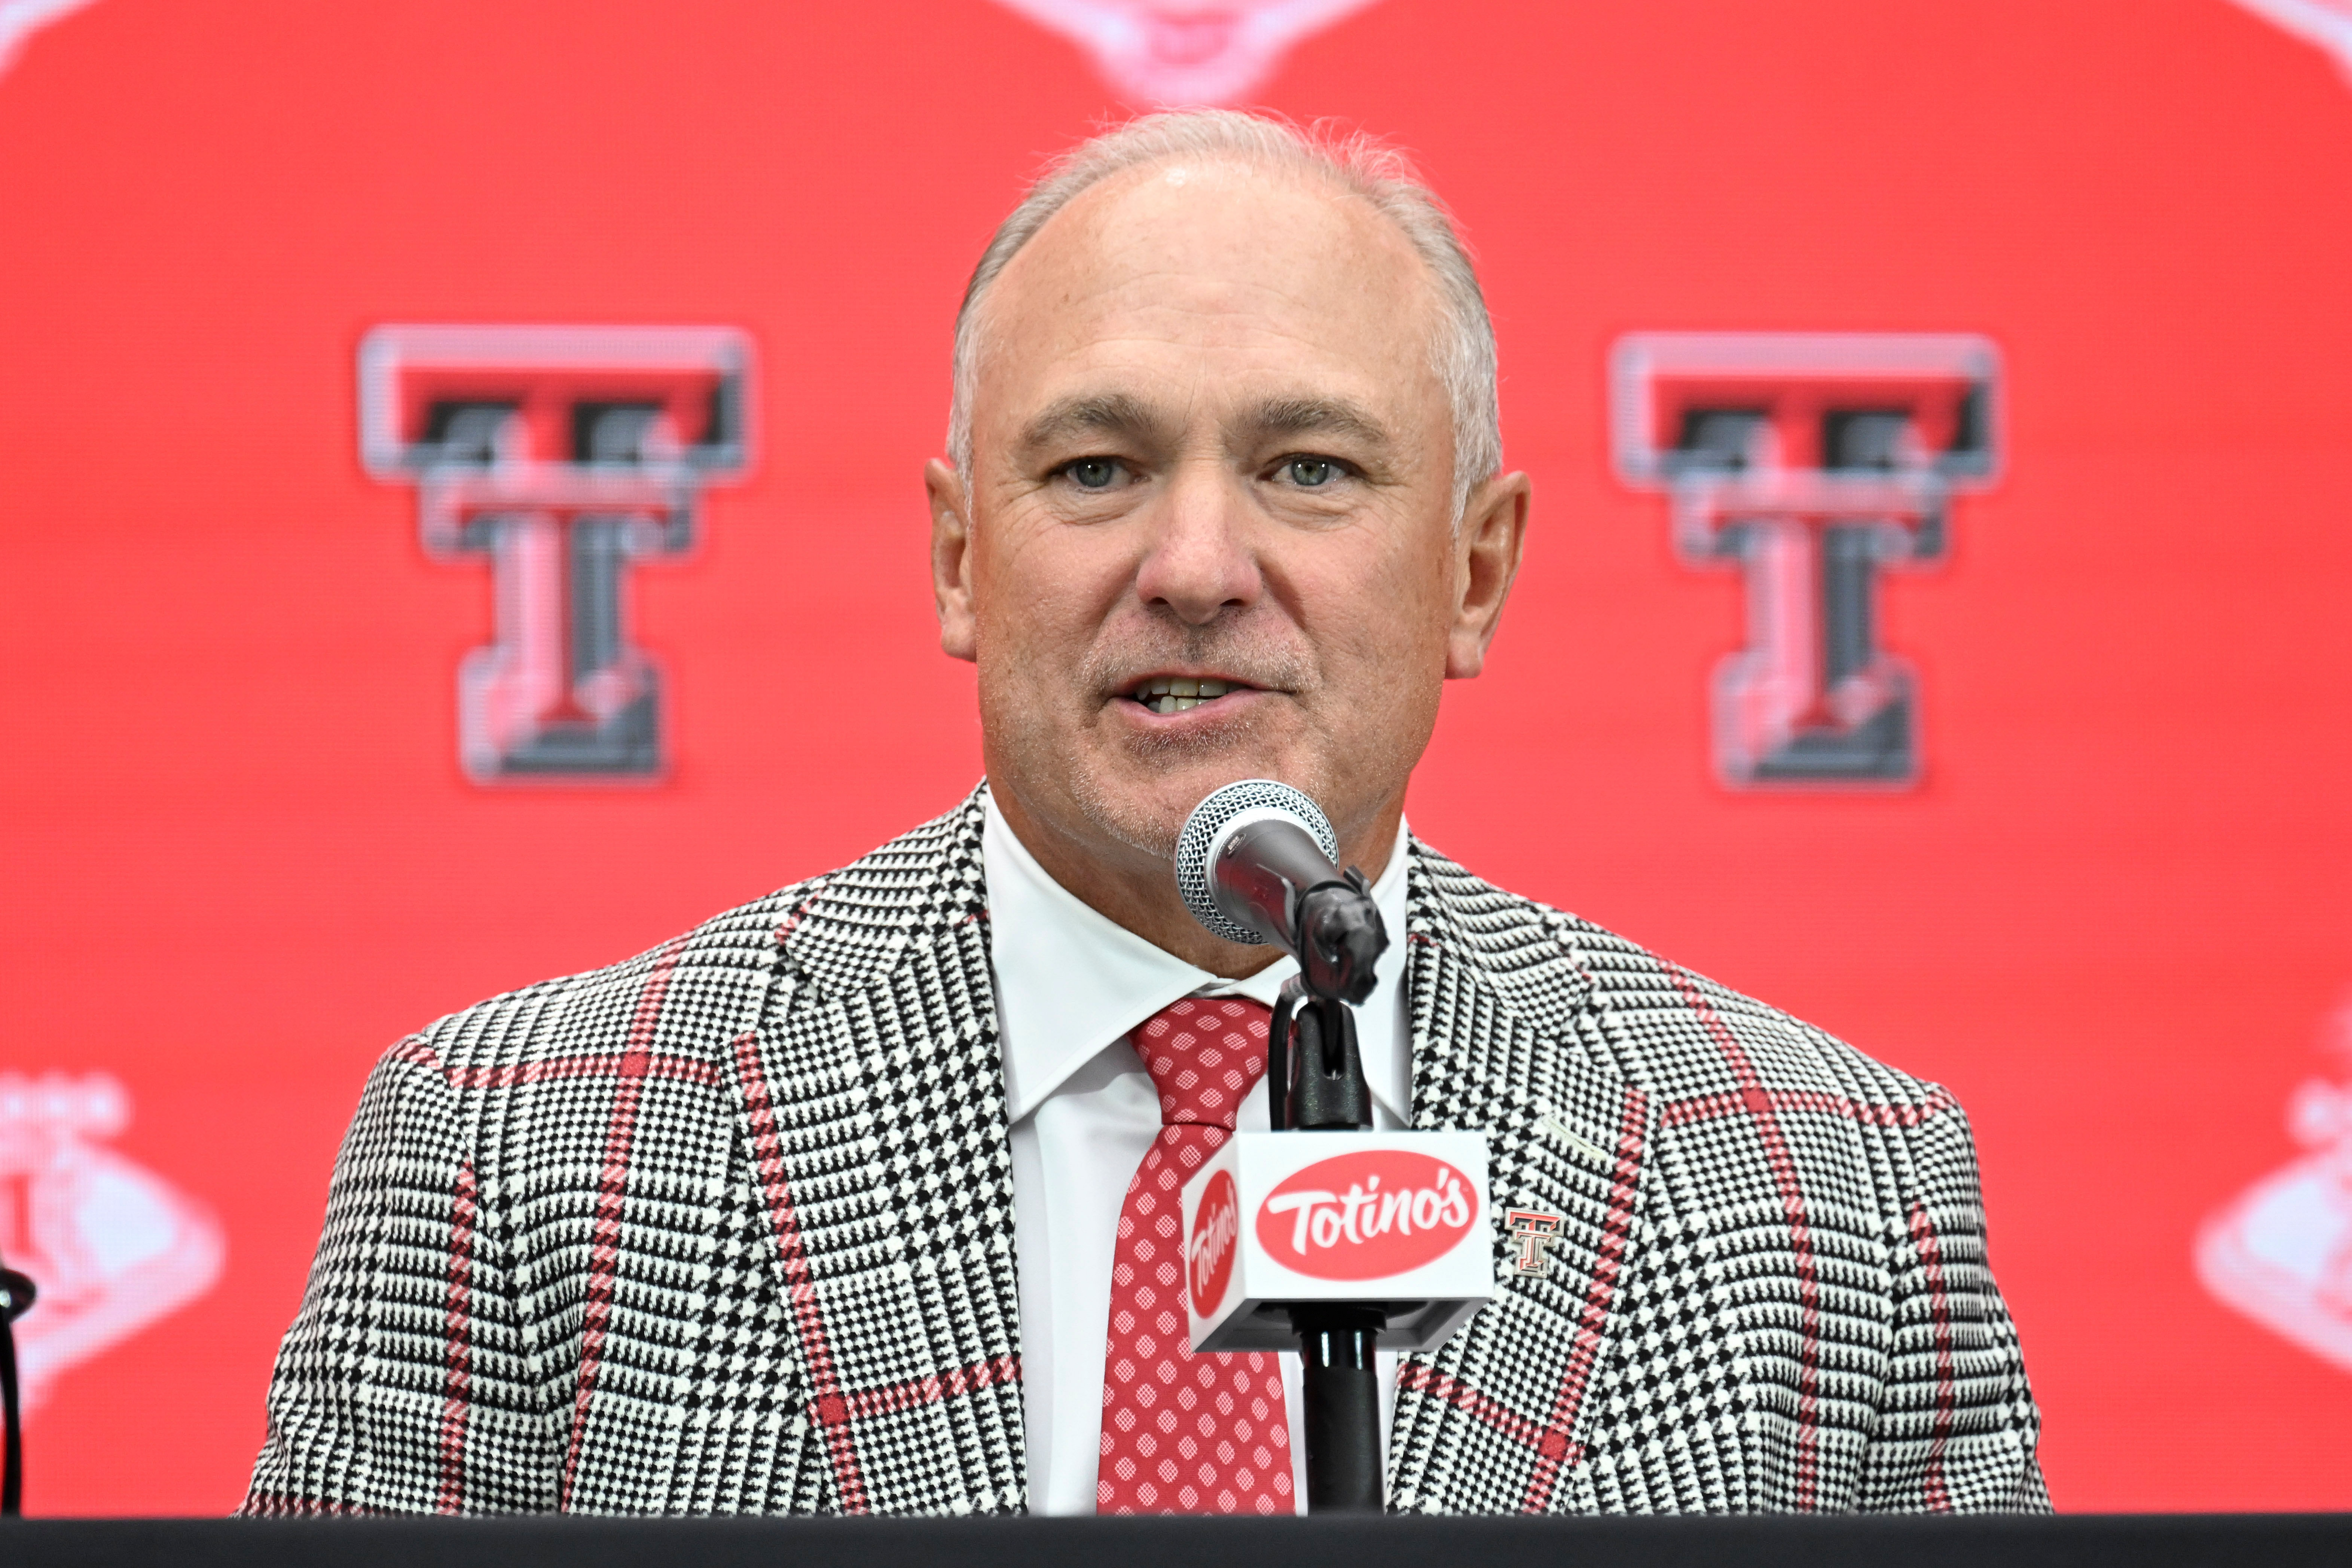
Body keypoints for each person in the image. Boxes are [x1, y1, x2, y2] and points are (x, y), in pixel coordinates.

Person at [244, 110, 2046, 1517]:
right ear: (961, 556)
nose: (1194, 568)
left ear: (1473, 573)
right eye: (1096, 468)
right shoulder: (514, 1153)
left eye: (1309, 469)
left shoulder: (1832, 1195)